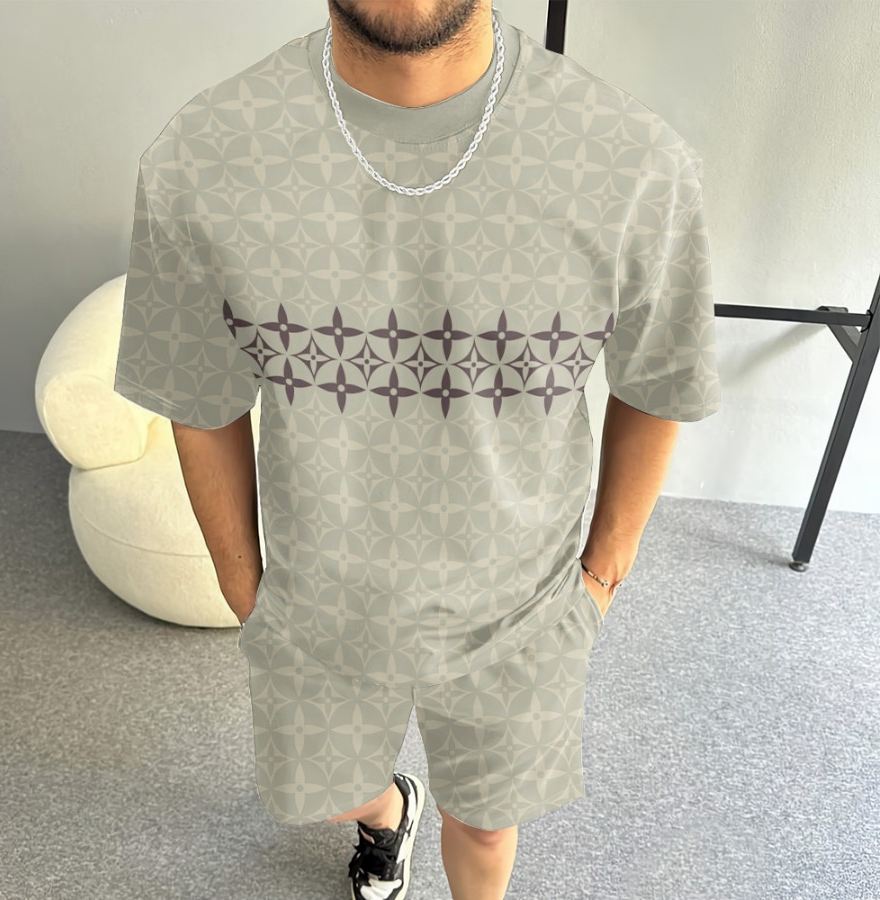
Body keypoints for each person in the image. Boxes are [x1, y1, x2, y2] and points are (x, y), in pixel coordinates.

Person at [113, 1, 721, 897]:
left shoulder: (632, 161)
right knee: (322, 794)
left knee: (486, 822)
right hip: (316, 599)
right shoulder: (204, 157)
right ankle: (387, 812)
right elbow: (196, 397)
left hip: (521, 606)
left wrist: (601, 577)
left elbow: (662, 380)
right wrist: (247, 593)